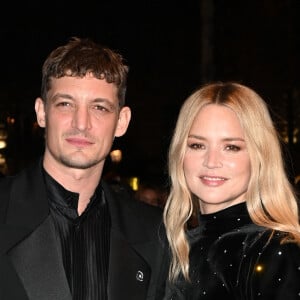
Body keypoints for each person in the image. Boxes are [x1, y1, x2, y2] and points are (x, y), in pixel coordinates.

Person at [0, 37, 169, 300]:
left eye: (99, 107)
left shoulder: (154, 233)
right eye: (66, 104)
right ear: (42, 112)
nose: (82, 123)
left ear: (122, 121)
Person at [163, 81, 300, 299]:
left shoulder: (273, 251)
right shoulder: (177, 245)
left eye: (231, 147)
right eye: (197, 145)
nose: (211, 161)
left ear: (260, 156)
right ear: (180, 153)